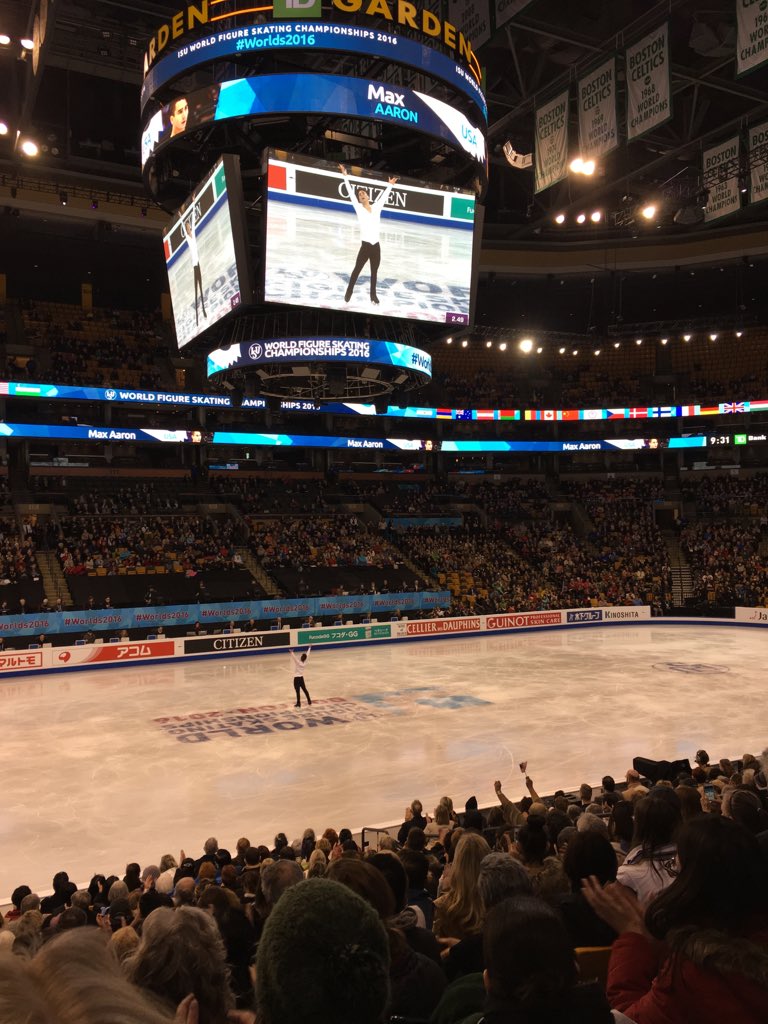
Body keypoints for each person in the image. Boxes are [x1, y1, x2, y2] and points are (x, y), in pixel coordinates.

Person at [583, 815, 768, 1023]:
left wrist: (632, 937)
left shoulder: (693, 976)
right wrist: (661, 946)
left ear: (694, 885)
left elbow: (626, 1017)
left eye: (676, 870)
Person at [338, 164, 398, 305]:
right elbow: (351, 194)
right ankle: (349, 290)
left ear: (368, 196)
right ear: (359, 199)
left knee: (374, 273)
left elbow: (384, 196)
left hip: (376, 246)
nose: (361, 194)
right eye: (360, 195)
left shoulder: (377, 207)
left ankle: (373, 296)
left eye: (363, 193)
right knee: (356, 270)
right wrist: (345, 176)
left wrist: (390, 185)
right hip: (365, 246)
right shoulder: (359, 209)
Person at [183, 207, 206, 326]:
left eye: (188, 227)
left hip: (198, 263)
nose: (188, 228)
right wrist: (181, 218)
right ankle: (197, 316)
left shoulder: (194, 232)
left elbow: (192, 219)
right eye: (186, 228)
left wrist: (193, 203)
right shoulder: (187, 237)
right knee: (196, 290)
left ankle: (203, 310)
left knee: (201, 288)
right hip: (194, 265)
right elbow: (183, 224)